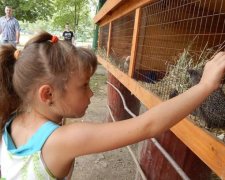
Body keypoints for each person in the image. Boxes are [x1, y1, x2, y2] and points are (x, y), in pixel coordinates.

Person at [0, 31, 225, 179]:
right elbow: (148, 125)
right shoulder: (60, 140)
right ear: (48, 94)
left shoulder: (11, 121)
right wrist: (204, 85)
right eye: (84, 85)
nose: (90, 93)